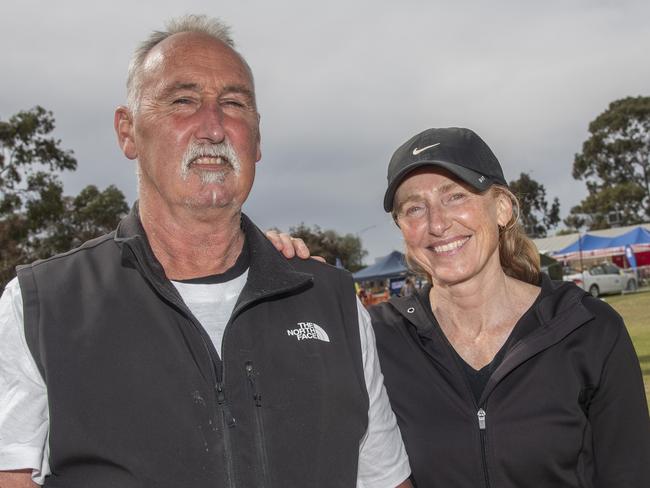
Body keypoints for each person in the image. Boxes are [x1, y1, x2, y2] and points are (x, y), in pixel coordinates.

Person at [0, 15, 411, 488]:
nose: (213, 127)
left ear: (257, 140)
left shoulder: (333, 302)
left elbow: (384, 479)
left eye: (234, 104)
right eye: (183, 101)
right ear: (127, 131)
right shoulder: (42, 305)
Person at [271, 127, 650, 487]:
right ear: (402, 226)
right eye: (415, 208)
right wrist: (270, 280)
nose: (437, 223)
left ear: (501, 208)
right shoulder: (376, 339)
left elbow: (630, 476)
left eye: (456, 196)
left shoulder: (586, 328)